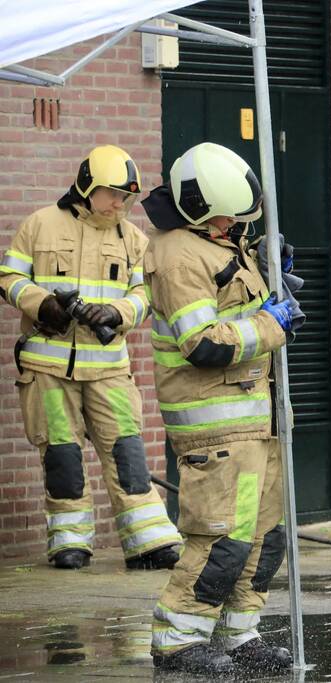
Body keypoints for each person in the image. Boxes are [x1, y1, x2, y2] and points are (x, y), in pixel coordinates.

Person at [141, 142, 297, 675]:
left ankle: (238, 636)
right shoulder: (179, 254)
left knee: (263, 537)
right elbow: (203, 344)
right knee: (221, 537)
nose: (237, 225)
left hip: (256, 421)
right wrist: (273, 321)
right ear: (198, 210)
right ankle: (178, 639)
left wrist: (273, 279)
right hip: (217, 426)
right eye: (229, 219)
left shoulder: (219, 240)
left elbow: (240, 310)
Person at [0, 145, 182, 570]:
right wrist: (41, 304)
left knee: (128, 453)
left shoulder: (134, 240)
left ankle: (149, 543)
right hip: (47, 368)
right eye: (114, 194)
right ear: (88, 186)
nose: (121, 204)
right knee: (61, 456)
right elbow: (8, 276)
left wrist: (116, 313)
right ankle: (69, 544)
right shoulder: (39, 225)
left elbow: (146, 296)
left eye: (127, 197)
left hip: (109, 371)